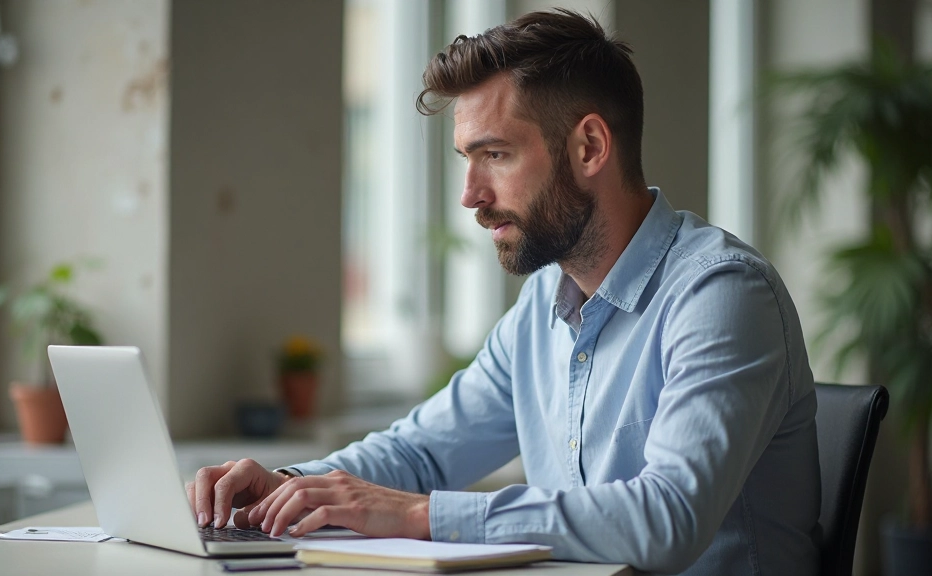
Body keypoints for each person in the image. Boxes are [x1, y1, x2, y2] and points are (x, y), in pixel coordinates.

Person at [187, 9, 820, 575]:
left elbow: (668, 520)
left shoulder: (722, 294)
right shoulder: (542, 306)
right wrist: (293, 484)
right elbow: (422, 451)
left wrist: (422, 516)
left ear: (590, 146)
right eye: (467, 157)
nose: (471, 196)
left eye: (495, 155)